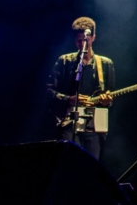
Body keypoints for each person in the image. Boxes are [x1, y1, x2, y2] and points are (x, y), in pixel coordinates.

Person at [46, 17, 114, 161]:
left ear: (93, 37)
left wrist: (106, 101)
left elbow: (110, 98)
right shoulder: (64, 61)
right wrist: (68, 99)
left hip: (94, 127)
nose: (82, 43)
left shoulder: (106, 64)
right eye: (78, 40)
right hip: (68, 125)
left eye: (86, 39)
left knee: (91, 167)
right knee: (69, 164)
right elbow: (49, 91)